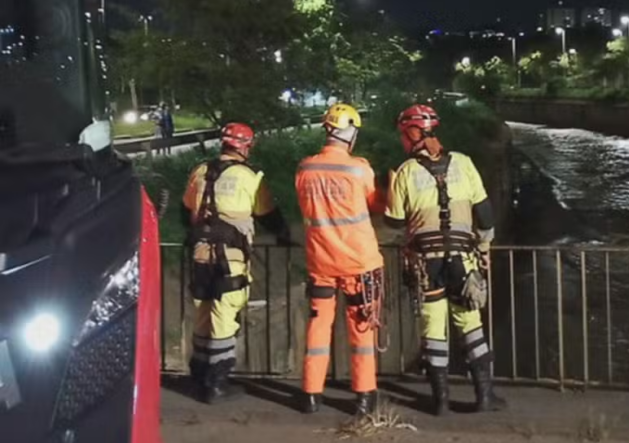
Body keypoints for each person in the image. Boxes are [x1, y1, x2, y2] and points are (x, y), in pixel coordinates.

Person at [385, 104, 506, 416]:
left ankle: (439, 402)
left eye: (403, 134)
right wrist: (484, 246)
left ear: (412, 134)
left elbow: (394, 222)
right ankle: (485, 396)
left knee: (434, 327)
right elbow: (485, 212)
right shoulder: (464, 164)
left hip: (426, 265)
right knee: (470, 325)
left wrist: (388, 189)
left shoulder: (405, 173)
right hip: (463, 261)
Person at [182, 122, 291, 404]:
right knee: (224, 317)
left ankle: (199, 377)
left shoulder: (200, 172)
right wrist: (285, 237)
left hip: (199, 255)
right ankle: (217, 383)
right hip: (231, 259)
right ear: (245, 146)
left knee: (203, 315)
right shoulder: (249, 177)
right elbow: (269, 216)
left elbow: (186, 212)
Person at [295, 104, 385, 416]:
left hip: (320, 262)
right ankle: (363, 396)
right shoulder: (358, 168)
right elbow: (375, 204)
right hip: (358, 263)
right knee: (361, 330)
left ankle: (310, 395)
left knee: (318, 327)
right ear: (350, 133)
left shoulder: (305, 169)